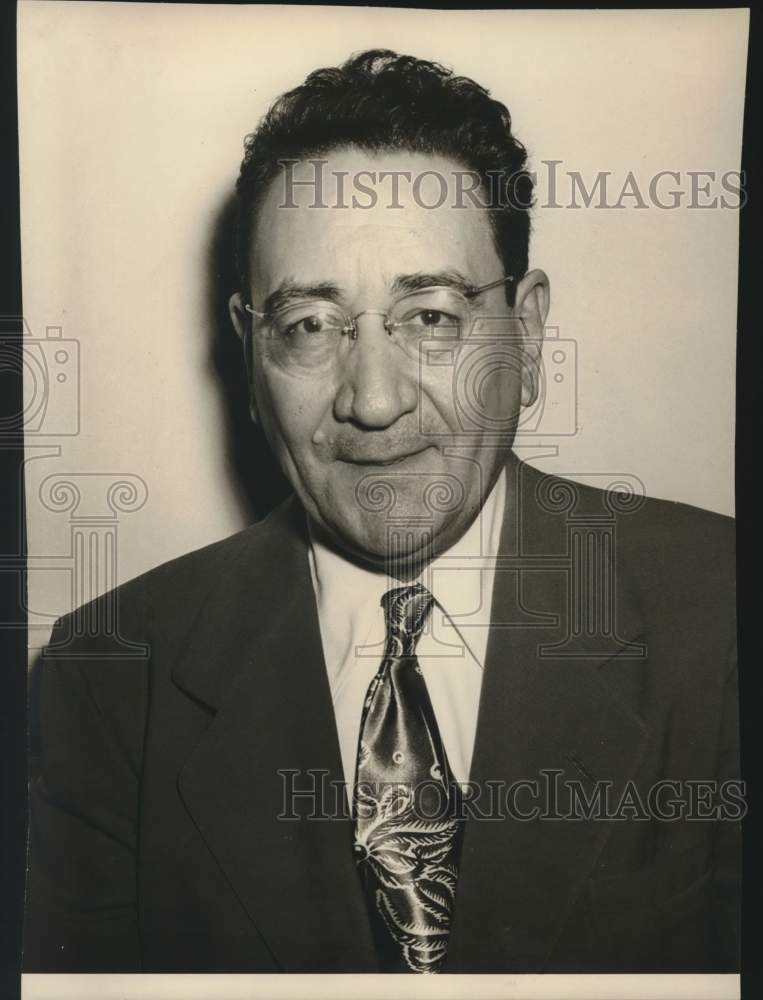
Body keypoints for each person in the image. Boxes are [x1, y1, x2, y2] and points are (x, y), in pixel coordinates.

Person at [23, 49, 740, 974]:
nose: (371, 399)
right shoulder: (106, 678)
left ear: (524, 330)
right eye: (311, 325)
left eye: (431, 315)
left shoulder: (720, 613)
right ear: (249, 354)